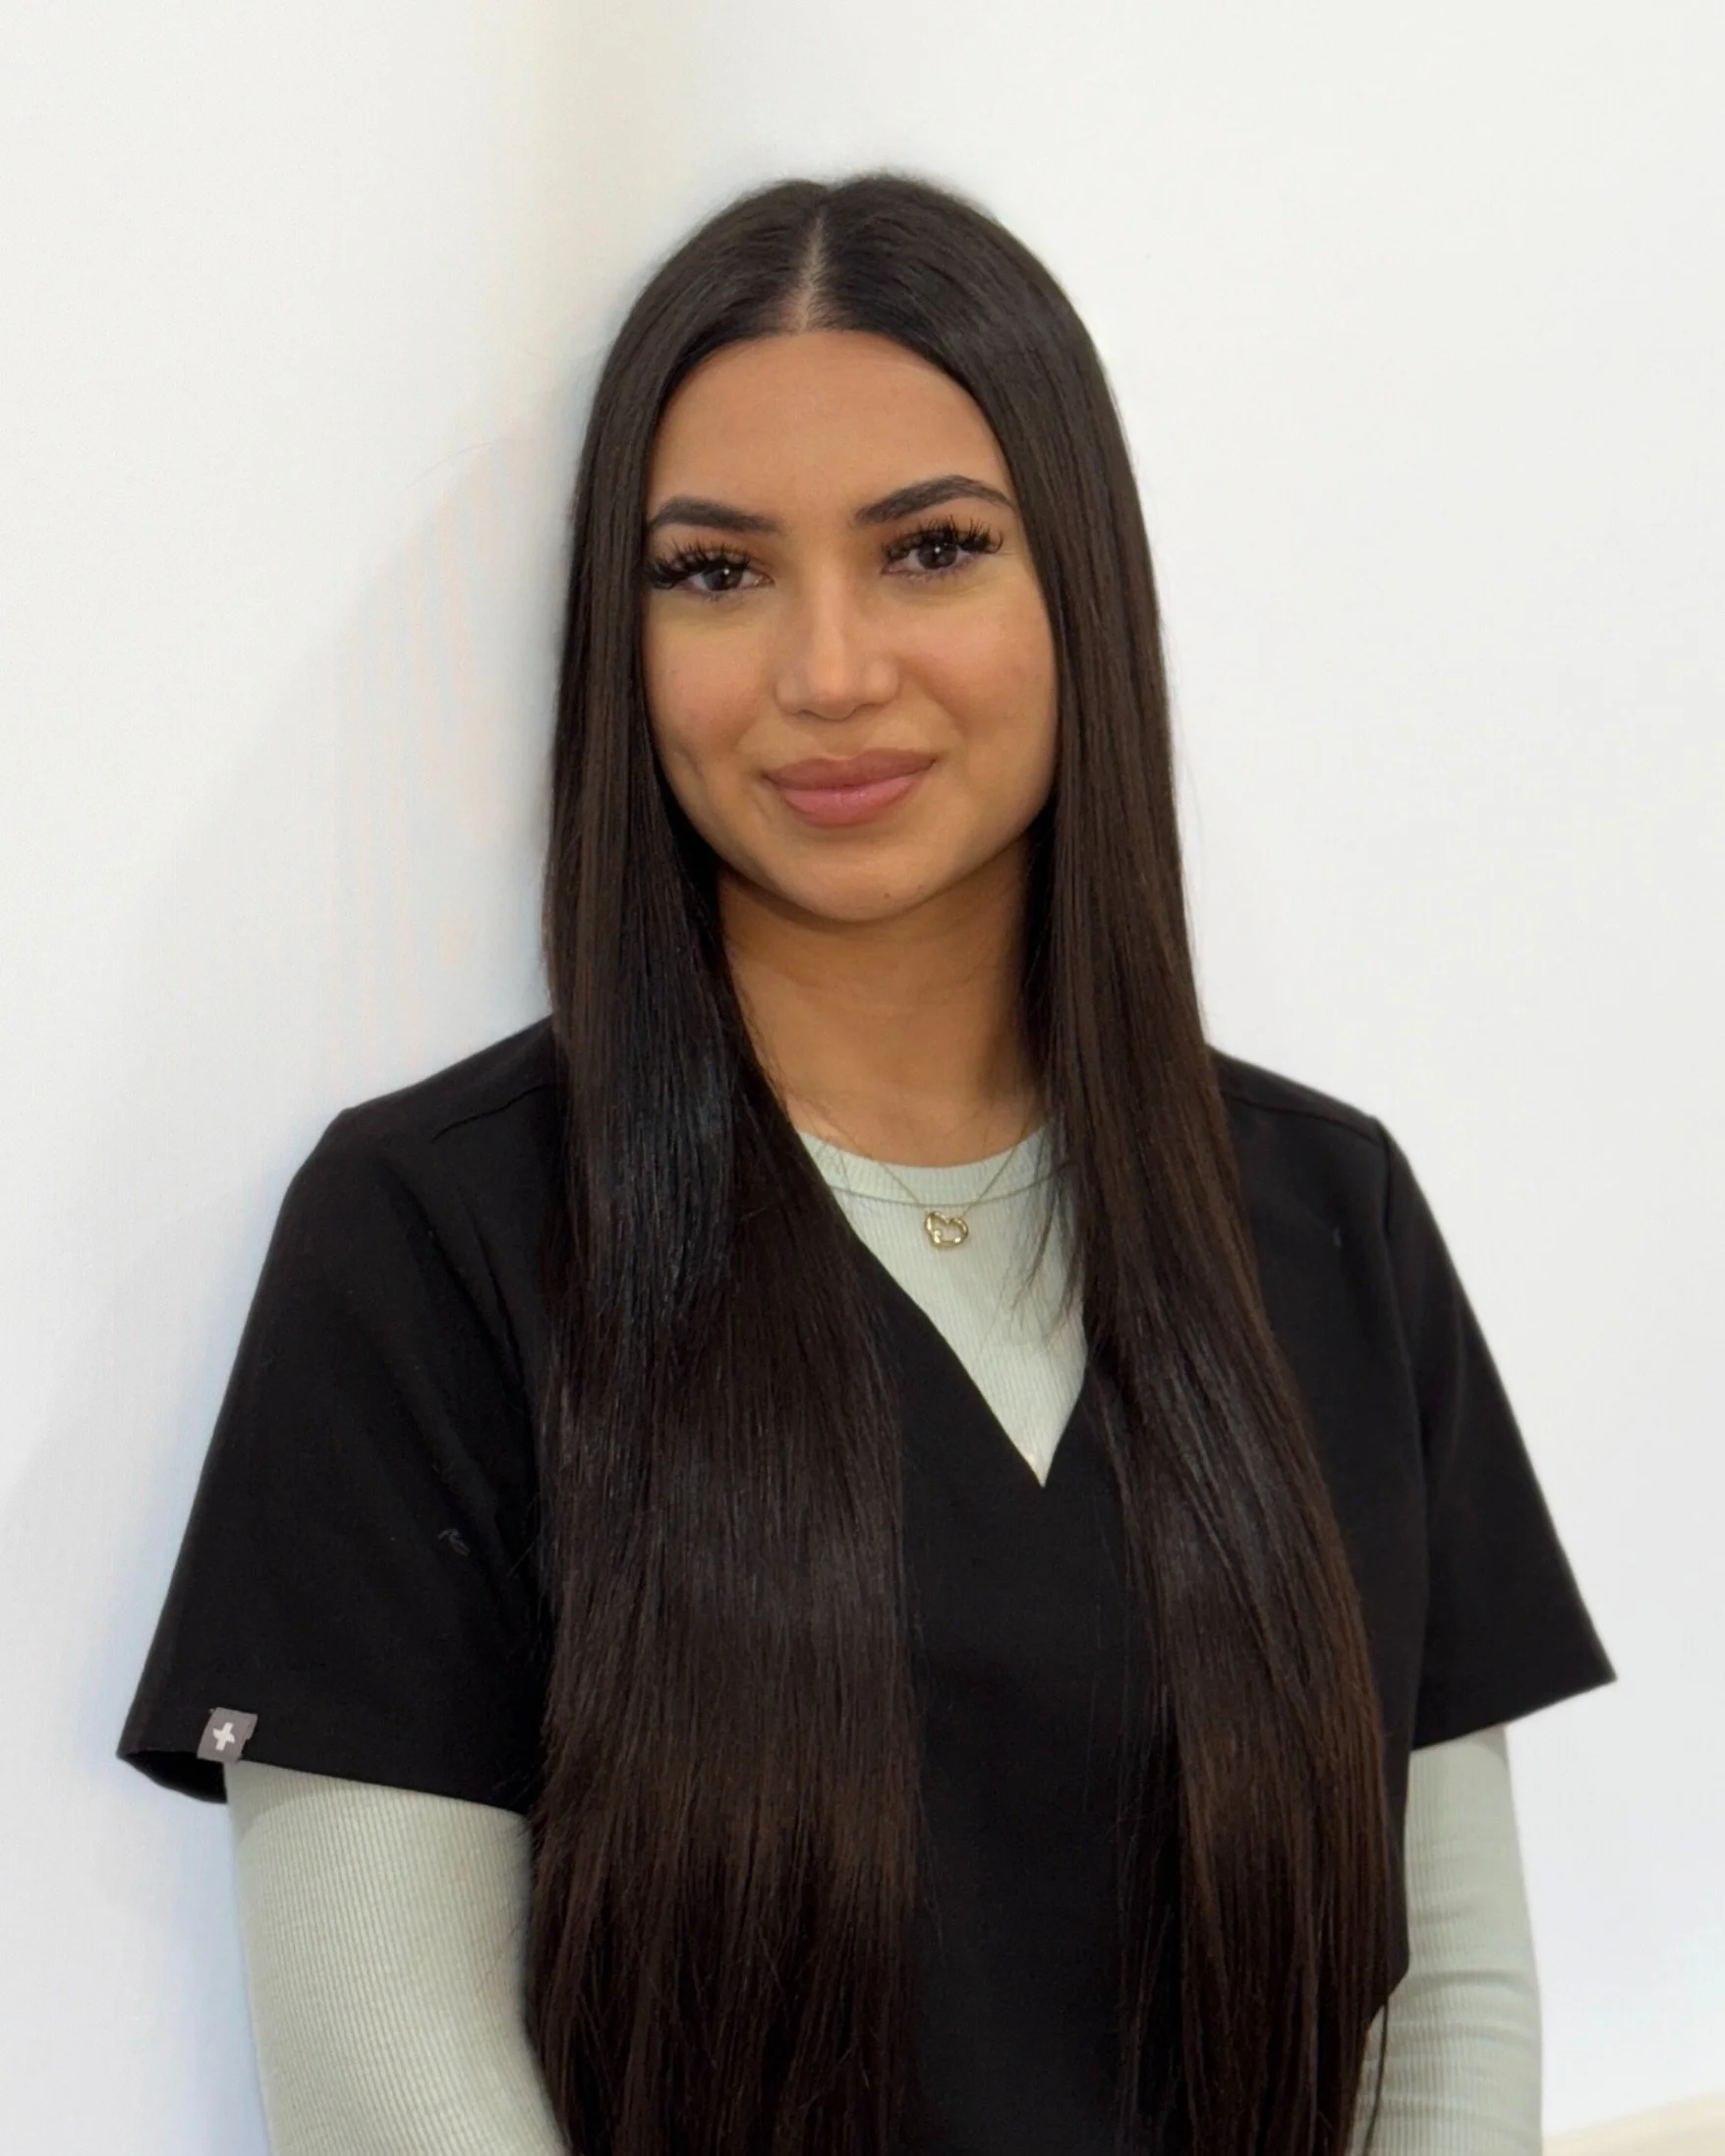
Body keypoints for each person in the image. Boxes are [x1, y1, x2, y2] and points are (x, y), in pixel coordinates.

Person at [119, 171, 1614, 2156]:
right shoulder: (433, 1241)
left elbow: (1450, 1999)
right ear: (619, 640)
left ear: (1076, 581)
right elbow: (393, 2078)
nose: (828, 669)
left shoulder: (1327, 1216)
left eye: (929, 548)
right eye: (716, 572)